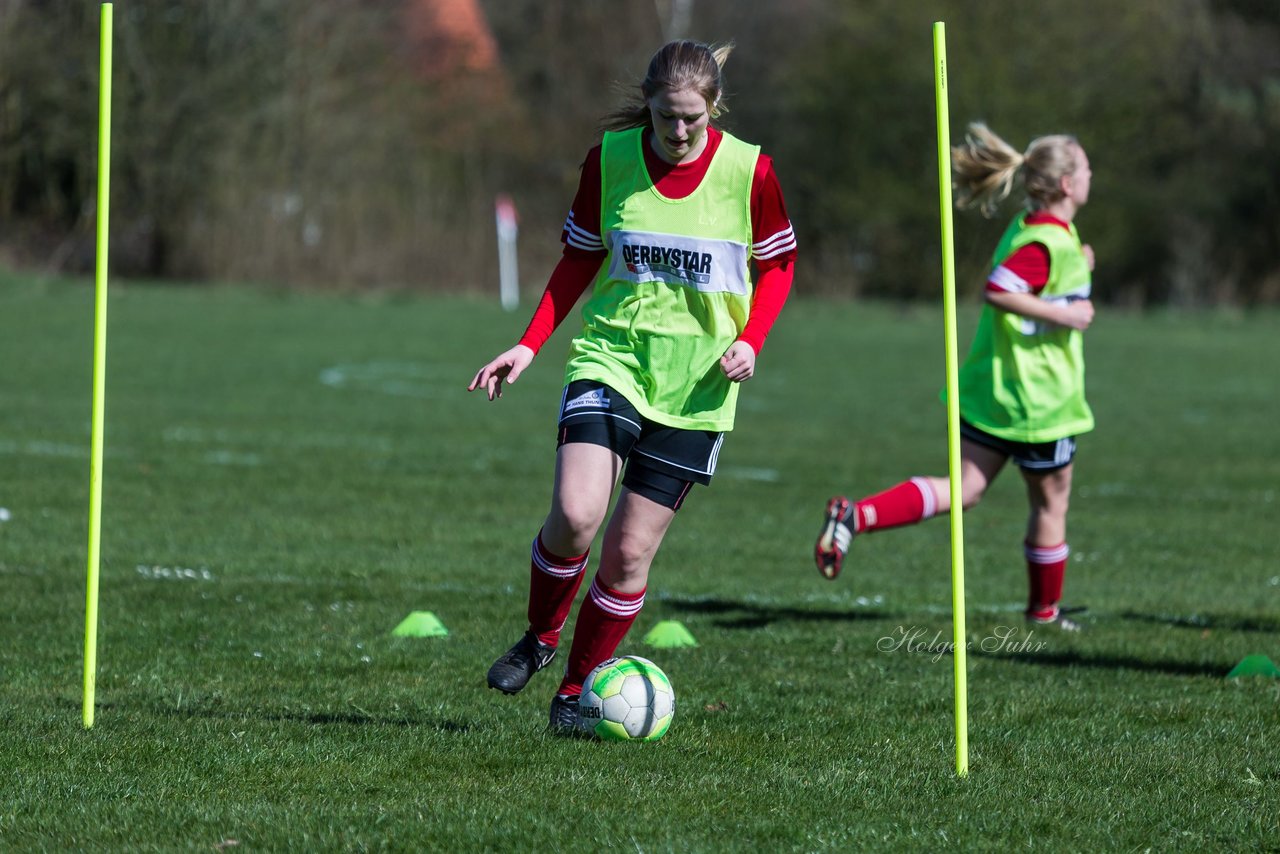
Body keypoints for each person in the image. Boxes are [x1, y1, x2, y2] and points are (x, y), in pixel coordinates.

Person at [468, 40, 797, 731]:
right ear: (646, 105)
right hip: (611, 359)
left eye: (691, 120)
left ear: (714, 108)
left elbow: (779, 267)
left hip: (698, 388)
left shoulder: (750, 171)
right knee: (577, 513)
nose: (677, 133)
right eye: (665, 117)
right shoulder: (611, 159)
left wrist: (750, 340)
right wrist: (529, 345)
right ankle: (540, 637)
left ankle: (575, 694)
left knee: (626, 555)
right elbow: (579, 257)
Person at [814, 122, 1095, 631]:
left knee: (964, 490)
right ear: (1069, 185)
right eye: (1086, 166)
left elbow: (1041, 277)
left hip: (993, 393)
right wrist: (1068, 315)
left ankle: (856, 516)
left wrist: (1078, 272)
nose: (1093, 173)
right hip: (1038, 402)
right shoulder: (1046, 243)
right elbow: (1000, 289)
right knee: (1052, 504)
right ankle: (1044, 613)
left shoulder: (1037, 229)